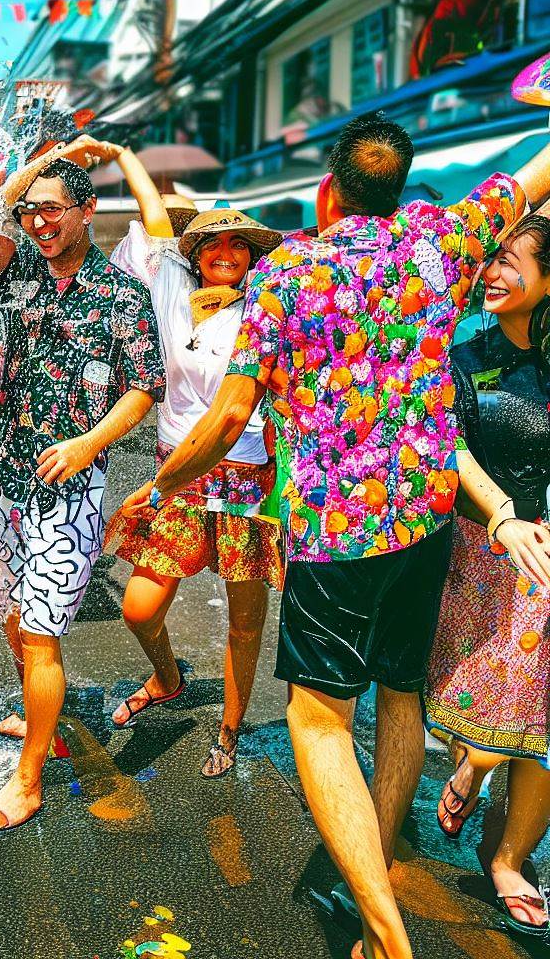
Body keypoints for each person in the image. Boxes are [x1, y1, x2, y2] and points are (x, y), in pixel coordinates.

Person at [113, 111, 550, 959]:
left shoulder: (285, 275)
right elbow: (536, 176)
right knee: (399, 698)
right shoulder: (442, 240)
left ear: (329, 189)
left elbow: (231, 412)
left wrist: (158, 482)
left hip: (335, 534)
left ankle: (385, 930)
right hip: (424, 523)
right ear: (396, 185)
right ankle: (375, 872)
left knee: (317, 719)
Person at [0, 137, 166, 833]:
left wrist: (88, 445)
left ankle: (26, 783)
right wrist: (48, 162)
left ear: (87, 209)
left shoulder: (123, 295)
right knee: (17, 624)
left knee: (43, 635)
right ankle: (37, 712)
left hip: (68, 494)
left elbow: (143, 391)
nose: (37, 223)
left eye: (51, 209)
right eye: (30, 213)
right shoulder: (15, 270)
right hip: (1, 478)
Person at [105, 207, 284, 778]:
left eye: (238, 244)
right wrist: (123, 158)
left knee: (244, 619)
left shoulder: (268, 307)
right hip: (179, 470)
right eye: (212, 244)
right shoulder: (173, 289)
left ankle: (230, 728)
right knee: (139, 608)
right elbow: (156, 224)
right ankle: (167, 677)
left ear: (252, 255)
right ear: (196, 252)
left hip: (247, 478)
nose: (225, 253)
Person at [423, 213, 550, 936]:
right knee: (492, 707)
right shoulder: (465, 349)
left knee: (542, 717)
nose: (493, 272)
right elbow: (446, 444)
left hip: (548, 554)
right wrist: (502, 514)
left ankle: (508, 859)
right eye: (491, 259)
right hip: (480, 550)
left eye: (511, 261)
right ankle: (474, 765)